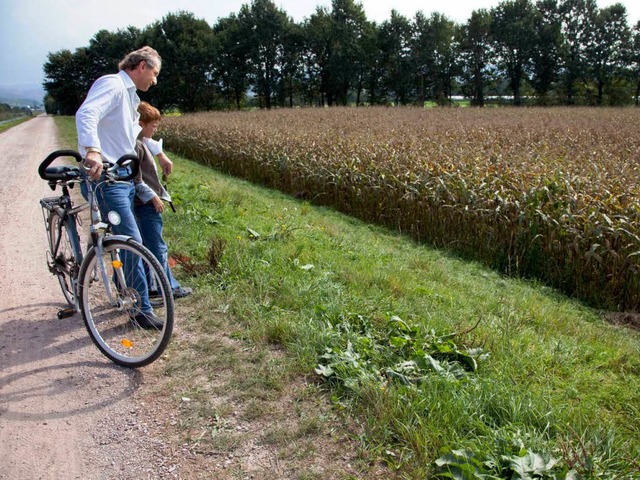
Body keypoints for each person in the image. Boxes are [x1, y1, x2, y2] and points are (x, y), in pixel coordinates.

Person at [76, 46, 164, 328]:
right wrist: (92, 150)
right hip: (109, 177)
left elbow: (129, 137)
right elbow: (86, 114)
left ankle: (128, 290)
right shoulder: (112, 85)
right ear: (140, 66)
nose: (155, 80)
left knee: (130, 237)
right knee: (131, 240)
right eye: (154, 73)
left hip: (126, 176)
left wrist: (159, 154)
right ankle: (141, 310)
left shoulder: (130, 96)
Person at [134, 101, 192, 299]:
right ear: (141, 125)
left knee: (144, 245)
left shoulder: (138, 141)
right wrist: (153, 197)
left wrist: (162, 156)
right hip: (145, 204)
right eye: (154, 126)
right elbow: (135, 179)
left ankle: (150, 285)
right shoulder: (136, 146)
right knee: (157, 247)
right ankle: (168, 287)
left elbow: (150, 143)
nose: (156, 129)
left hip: (142, 204)